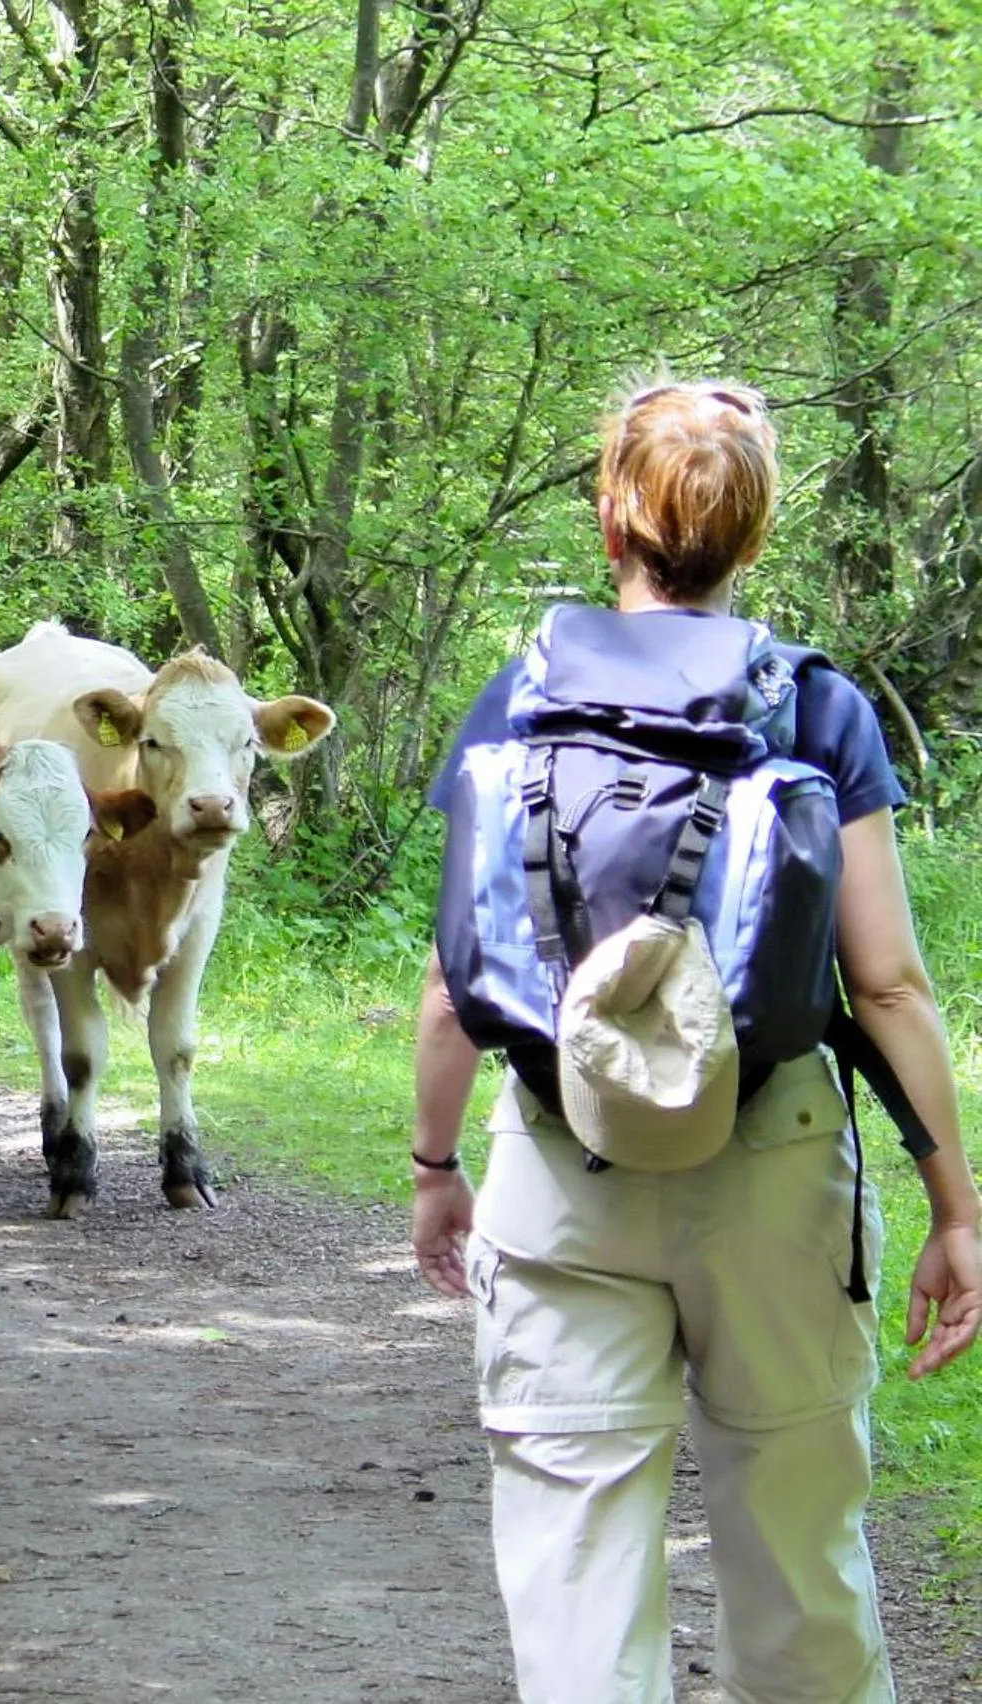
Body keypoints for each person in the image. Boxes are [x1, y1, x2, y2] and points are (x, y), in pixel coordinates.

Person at [410, 378, 982, 1703]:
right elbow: (888, 987)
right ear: (757, 531)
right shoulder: (815, 709)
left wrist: (439, 1170)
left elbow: (453, 986)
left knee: (577, 1577)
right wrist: (957, 1205)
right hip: (775, 1164)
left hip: (563, 1161)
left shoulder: (518, 700)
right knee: (800, 1560)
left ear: (610, 517)